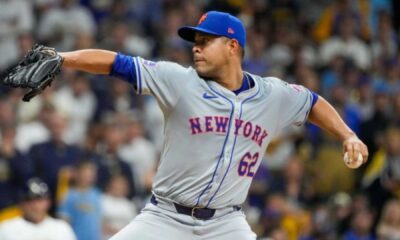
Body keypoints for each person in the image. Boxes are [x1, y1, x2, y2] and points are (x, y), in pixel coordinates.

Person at [46, 10, 368, 240]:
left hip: (226, 223)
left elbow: (312, 102)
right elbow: (117, 63)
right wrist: (62, 58)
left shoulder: (272, 94)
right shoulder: (179, 80)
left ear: (232, 47)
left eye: (205, 40)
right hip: (165, 217)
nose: (196, 47)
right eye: (195, 41)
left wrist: (348, 134)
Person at [0, 177, 76, 240]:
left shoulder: (62, 229)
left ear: (48, 202)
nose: (35, 205)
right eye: (29, 200)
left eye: (39, 199)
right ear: (21, 204)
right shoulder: (7, 229)